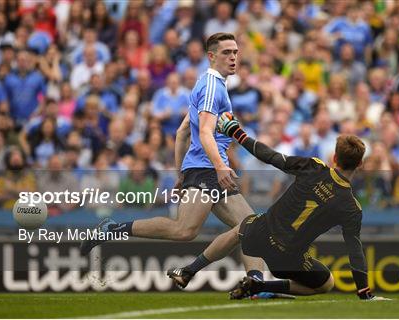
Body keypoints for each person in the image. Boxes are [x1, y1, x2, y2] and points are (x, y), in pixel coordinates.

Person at [80, 33, 263, 281]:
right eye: (226, 53)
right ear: (211, 57)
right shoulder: (211, 87)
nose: (233, 57)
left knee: (251, 227)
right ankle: (113, 228)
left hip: (204, 169)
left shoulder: (209, 84)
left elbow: (182, 132)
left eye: (235, 52)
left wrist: (181, 174)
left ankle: (256, 282)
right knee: (184, 230)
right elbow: (205, 132)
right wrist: (219, 167)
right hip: (208, 169)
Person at [167, 112, 388, 301]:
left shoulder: (313, 167)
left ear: (334, 157)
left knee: (242, 228)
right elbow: (354, 249)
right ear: (360, 164)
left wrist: (237, 133)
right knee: (326, 283)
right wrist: (363, 289)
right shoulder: (351, 206)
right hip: (288, 259)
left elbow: (271, 156)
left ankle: (189, 271)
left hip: (261, 235)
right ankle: (262, 286)